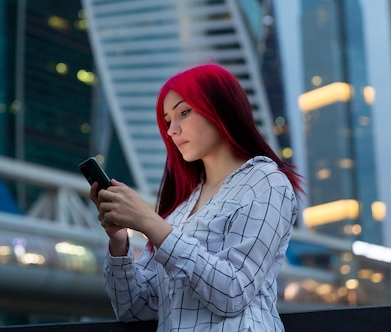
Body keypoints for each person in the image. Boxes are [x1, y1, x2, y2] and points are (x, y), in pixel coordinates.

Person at [89, 63, 303, 332]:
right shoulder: (181, 207)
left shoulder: (265, 181)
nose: (172, 130)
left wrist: (151, 224)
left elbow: (233, 292)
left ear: (221, 109)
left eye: (184, 112)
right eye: (168, 121)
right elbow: (136, 308)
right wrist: (119, 241)